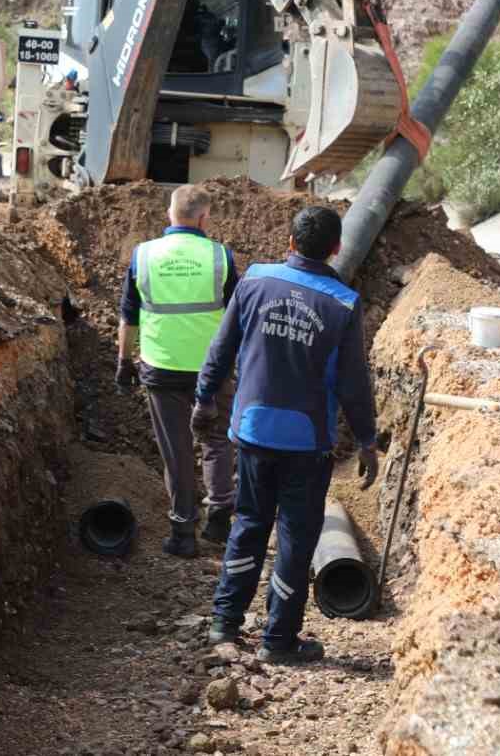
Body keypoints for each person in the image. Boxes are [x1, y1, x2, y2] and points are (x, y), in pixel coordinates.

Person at [197, 206, 379, 665]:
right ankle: (277, 640)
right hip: (306, 443)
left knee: (249, 524)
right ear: (336, 248)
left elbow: (222, 347)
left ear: (291, 242)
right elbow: (353, 382)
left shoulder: (256, 280)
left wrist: (204, 398)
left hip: (254, 431)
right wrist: (366, 439)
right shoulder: (341, 303)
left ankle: (224, 623)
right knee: (296, 537)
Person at [116, 185, 239, 556]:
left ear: (170, 214)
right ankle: (219, 515)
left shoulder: (144, 255)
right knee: (217, 439)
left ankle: (183, 533)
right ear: (204, 218)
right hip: (212, 370)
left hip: (162, 367)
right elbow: (238, 316)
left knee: (177, 450)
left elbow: (128, 317)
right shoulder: (221, 257)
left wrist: (124, 361)